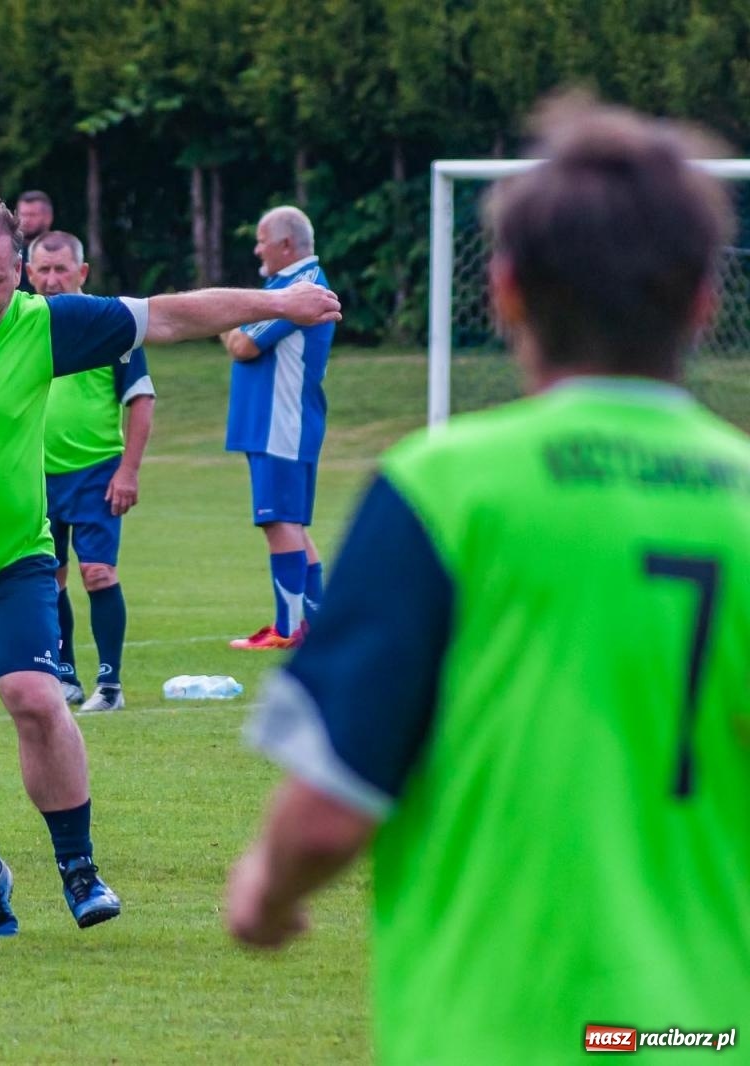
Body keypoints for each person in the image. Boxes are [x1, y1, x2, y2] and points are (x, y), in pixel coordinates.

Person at [225, 96, 750, 1064]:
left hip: (496, 1029)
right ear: (703, 302)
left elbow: (332, 806)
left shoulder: (446, 488)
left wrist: (265, 889)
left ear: (504, 291)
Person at [0, 191, 339, 938]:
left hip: (13, 561)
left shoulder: (42, 325)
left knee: (35, 695)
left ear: (18, 272)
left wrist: (278, 303)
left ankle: (80, 870)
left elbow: (169, 315)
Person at [29, 231, 156, 712]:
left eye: (61, 269)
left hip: (97, 473)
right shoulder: (22, 326)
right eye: (43, 270)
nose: (51, 279)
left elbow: (141, 399)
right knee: (49, 577)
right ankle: (64, 676)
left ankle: (110, 685)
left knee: (98, 573)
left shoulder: (111, 326)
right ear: (28, 273)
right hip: (35, 474)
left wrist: (129, 471)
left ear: (82, 272)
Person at [219, 206, 335, 650]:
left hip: (279, 423)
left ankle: (288, 629)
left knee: (280, 522)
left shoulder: (298, 288)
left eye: (262, 240)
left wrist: (219, 313)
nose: (257, 249)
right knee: (292, 523)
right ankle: (311, 625)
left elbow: (243, 344)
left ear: (286, 245)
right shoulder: (289, 285)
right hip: (280, 422)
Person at [15, 189, 54, 294]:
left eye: (32, 215)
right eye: (23, 214)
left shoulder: (63, 251)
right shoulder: (10, 251)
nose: (26, 220)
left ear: (48, 217)